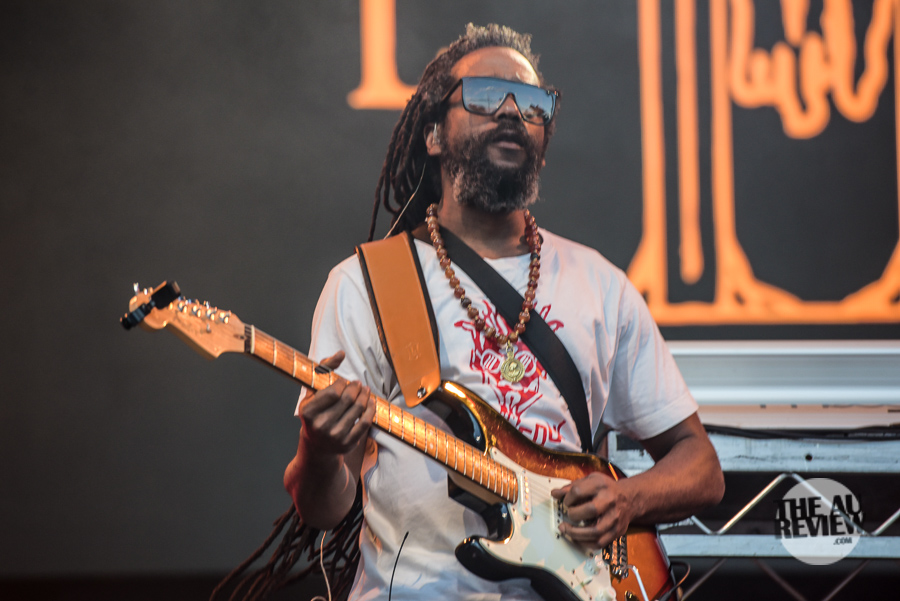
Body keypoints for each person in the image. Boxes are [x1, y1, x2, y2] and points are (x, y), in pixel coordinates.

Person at [284, 23, 724, 601]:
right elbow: (323, 508)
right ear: (434, 134)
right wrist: (319, 450)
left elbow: (702, 468)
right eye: (487, 96)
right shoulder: (366, 285)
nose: (514, 112)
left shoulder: (601, 285)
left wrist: (628, 498)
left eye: (533, 104)